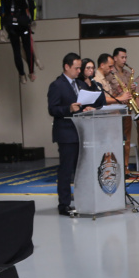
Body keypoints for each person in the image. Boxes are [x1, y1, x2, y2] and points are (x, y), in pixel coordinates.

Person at [47, 52, 104, 216]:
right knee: (66, 169)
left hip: (81, 131)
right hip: (66, 132)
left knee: (82, 169)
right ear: (66, 67)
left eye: (80, 67)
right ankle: (64, 204)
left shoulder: (80, 83)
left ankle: (83, 199)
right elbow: (52, 109)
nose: (79, 71)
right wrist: (68, 109)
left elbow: (92, 100)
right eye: (76, 68)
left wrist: (86, 107)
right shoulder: (57, 85)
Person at [0, 0, 37, 84]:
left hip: (10, 23)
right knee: (28, 48)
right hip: (23, 21)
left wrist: (0, 28)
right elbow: (32, 3)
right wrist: (33, 19)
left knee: (16, 50)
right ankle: (31, 72)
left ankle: (22, 75)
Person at [108, 48, 136, 175]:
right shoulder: (109, 72)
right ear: (115, 58)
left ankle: (125, 166)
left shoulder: (126, 73)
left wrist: (132, 88)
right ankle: (115, 166)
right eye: (122, 57)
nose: (125, 60)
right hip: (114, 110)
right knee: (115, 139)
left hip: (127, 109)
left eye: (126, 57)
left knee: (127, 139)